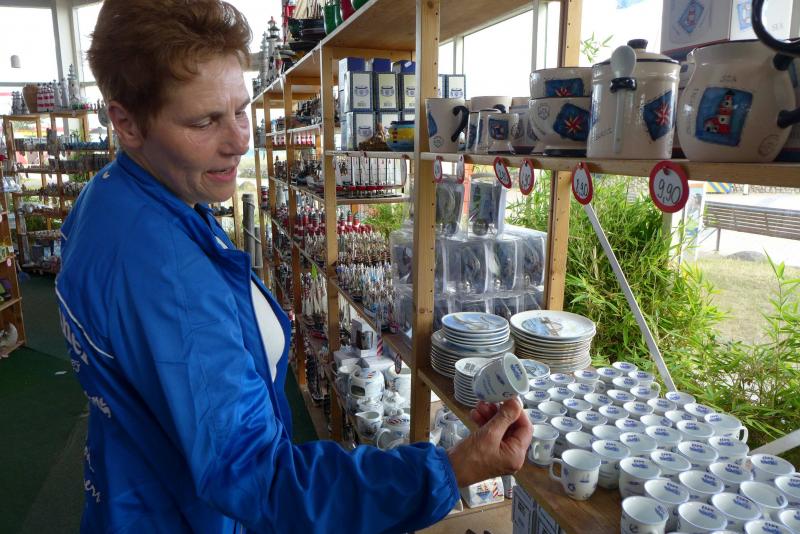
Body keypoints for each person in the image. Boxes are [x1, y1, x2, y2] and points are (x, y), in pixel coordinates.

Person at [55, 1, 532, 532]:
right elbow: (265, 480)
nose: (240, 141)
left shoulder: (110, 199)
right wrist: (452, 467)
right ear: (126, 123)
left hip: (132, 491)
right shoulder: (165, 270)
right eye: (204, 121)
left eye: (240, 110)